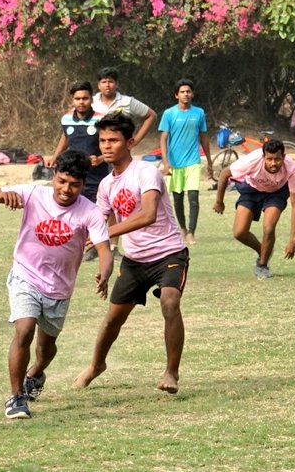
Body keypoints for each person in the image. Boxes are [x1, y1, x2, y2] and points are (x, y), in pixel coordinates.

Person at [0, 150, 113, 419]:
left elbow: (105, 250)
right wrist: (0, 195)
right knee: (24, 330)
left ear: (83, 184)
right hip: (25, 276)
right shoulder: (33, 194)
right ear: (54, 176)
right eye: (62, 181)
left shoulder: (89, 212)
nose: (66, 189)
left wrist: (105, 272)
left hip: (59, 289)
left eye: (74, 185)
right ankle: (16, 397)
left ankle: (36, 374)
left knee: (45, 349)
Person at [73, 114, 189, 394]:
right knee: (113, 318)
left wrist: (109, 233)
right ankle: (96, 365)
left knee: (170, 303)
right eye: (102, 141)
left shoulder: (146, 172)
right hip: (134, 259)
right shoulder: (105, 186)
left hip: (168, 253)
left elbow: (148, 214)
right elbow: (97, 228)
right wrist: (105, 267)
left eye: (113, 140)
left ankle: (171, 372)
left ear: (130, 142)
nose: (106, 146)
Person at [212, 140, 295, 279]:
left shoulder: (291, 169)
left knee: (269, 227)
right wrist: (219, 201)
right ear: (263, 157)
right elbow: (225, 173)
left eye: (277, 159)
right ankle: (263, 251)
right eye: (269, 159)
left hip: (276, 193)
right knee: (239, 232)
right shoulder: (252, 160)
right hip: (251, 190)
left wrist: (293, 239)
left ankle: (262, 265)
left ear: (284, 157)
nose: (273, 163)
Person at [158, 79, 213, 245]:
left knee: (194, 197)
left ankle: (191, 232)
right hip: (175, 164)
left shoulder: (199, 113)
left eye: (188, 91)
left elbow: (204, 138)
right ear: (176, 95)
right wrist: (166, 162)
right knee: (178, 199)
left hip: (193, 162)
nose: (186, 94)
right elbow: (163, 139)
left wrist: (209, 161)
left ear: (192, 93)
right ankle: (182, 229)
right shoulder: (169, 114)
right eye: (182, 92)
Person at [46, 81, 108, 203]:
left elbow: (110, 144)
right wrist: (55, 157)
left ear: (92, 99)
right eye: (77, 98)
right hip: (73, 176)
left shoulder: (102, 119)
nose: (81, 102)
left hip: (95, 178)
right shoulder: (66, 119)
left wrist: (100, 159)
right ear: (72, 100)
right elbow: (66, 137)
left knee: (95, 211)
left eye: (85, 98)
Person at [90, 67, 158, 145]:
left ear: (116, 84)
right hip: (95, 149)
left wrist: (134, 142)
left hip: (121, 151)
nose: (107, 85)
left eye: (110, 81)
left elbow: (151, 116)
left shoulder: (127, 102)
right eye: (104, 82)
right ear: (98, 85)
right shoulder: (91, 102)